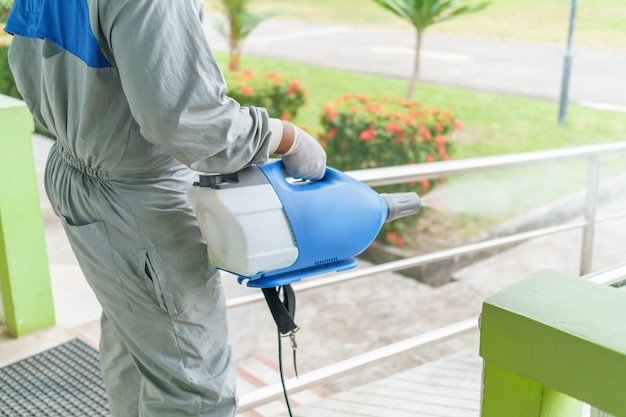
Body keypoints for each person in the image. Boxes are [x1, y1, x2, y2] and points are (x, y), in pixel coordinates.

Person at [5, 1, 326, 416]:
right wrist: (285, 137)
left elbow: (24, 57)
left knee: (136, 350)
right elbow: (190, 122)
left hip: (79, 171)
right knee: (192, 392)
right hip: (138, 204)